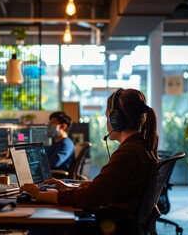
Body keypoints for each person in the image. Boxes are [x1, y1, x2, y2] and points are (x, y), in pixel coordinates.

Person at [21, 88, 159, 234]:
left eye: (108, 117)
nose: (107, 123)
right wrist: (67, 188)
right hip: (118, 223)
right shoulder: (140, 147)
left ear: (116, 120)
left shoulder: (129, 153)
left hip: (109, 226)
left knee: (44, 225)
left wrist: (39, 194)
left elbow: (90, 197)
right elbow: (106, 188)